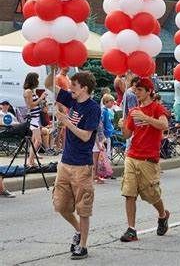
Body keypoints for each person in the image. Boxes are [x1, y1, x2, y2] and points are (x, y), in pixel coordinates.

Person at [45, 69, 101, 260]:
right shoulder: (72, 100)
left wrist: (66, 122)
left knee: (83, 208)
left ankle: (83, 246)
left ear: (84, 88)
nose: (71, 89)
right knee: (60, 205)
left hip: (81, 166)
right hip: (65, 163)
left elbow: (86, 136)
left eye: (74, 87)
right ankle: (78, 231)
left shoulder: (93, 108)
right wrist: (54, 68)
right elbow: (48, 84)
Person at [118, 78, 170, 242]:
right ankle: (131, 229)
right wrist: (122, 125)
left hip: (149, 158)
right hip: (132, 156)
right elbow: (127, 135)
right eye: (135, 89)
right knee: (129, 193)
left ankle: (163, 215)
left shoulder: (156, 107)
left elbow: (164, 125)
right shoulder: (133, 110)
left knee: (151, 195)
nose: (136, 92)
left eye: (140, 90)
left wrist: (146, 118)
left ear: (149, 91)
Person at [23, 73, 47, 167]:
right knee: (38, 141)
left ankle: (31, 161)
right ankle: (30, 161)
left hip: (36, 118)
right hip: (33, 118)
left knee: (34, 142)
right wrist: (40, 98)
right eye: (37, 79)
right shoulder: (28, 91)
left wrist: (42, 102)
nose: (38, 81)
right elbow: (30, 106)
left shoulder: (32, 91)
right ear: (33, 80)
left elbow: (35, 104)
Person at [101, 94, 116, 159]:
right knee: (107, 146)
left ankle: (108, 156)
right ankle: (107, 157)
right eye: (111, 102)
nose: (113, 104)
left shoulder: (107, 110)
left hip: (109, 132)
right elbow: (101, 123)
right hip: (106, 133)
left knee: (109, 145)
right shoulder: (103, 111)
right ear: (106, 102)